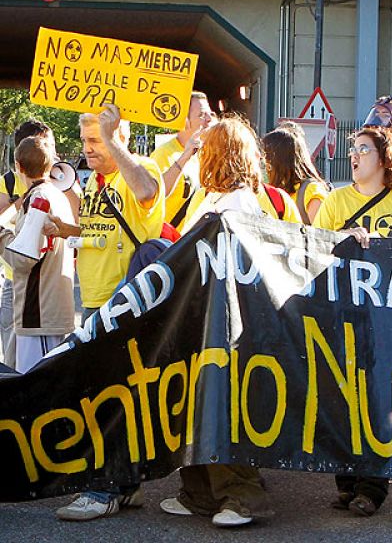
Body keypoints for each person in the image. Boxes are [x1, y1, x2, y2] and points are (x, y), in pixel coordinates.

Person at [161, 116, 292, 528]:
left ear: (219, 154)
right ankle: (198, 491)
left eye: (205, 149)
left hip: (226, 325)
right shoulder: (214, 197)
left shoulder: (237, 202)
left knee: (221, 408)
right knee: (197, 408)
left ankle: (243, 495)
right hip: (200, 321)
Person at [52, 104, 164, 521]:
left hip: (126, 303)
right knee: (117, 396)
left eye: (95, 140)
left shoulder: (138, 168)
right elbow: (101, 231)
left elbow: (148, 194)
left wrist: (114, 142)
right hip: (97, 301)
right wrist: (66, 230)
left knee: (107, 398)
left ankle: (103, 490)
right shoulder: (96, 183)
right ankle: (126, 483)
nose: (89, 149)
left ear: (121, 135)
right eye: (85, 141)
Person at [313, 126, 392, 516]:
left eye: (363, 149)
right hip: (343, 315)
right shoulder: (335, 201)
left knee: (378, 400)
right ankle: (346, 481)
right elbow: (312, 250)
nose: (354, 156)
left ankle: (372, 487)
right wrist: (342, 238)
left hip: (386, 321)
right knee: (343, 398)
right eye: (353, 149)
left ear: (383, 159)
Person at [0, 136, 75, 373]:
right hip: (47, 310)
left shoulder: (38, 198)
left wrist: (2, 236)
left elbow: (23, 260)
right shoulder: (56, 194)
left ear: (18, 166)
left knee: (37, 389)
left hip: (39, 313)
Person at [150, 91, 215, 230]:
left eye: (210, 113)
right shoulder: (164, 154)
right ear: (184, 122)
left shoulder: (204, 155)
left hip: (191, 244)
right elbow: (153, 195)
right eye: (202, 115)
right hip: (170, 246)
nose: (209, 119)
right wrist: (185, 157)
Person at [261, 123, 329, 225]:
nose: (262, 165)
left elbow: (321, 235)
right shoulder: (269, 194)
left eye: (264, 158)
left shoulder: (311, 190)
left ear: (277, 161)